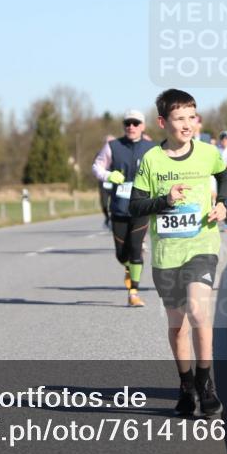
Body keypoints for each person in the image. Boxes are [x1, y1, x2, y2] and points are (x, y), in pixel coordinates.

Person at [128, 89, 227, 417]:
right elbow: (136, 206)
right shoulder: (151, 160)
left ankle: (206, 382)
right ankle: (186, 385)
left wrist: (222, 203)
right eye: (179, 118)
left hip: (202, 245)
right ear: (162, 122)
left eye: (192, 117)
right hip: (166, 254)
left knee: (199, 312)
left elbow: (224, 176)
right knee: (178, 325)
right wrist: (165, 201)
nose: (187, 124)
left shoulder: (207, 153)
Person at [92, 110, 155, 307]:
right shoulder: (113, 146)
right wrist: (109, 176)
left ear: (143, 126)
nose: (131, 126)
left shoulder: (152, 148)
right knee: (121, 254)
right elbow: (97, 167)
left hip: (141, 207)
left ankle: (133, 293)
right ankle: (128, 267)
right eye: (128, 123)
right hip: (119, 207)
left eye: (136, 123)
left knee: (136, 249)